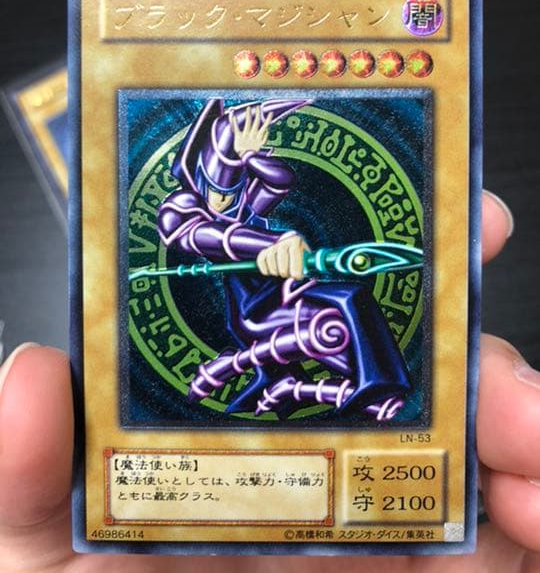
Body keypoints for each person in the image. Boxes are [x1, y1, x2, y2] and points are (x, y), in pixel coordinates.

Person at [1, 195, 539, 570]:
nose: (253, 156)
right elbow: (193, 231)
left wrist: (279, 241)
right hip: (258, 318)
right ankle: (322, 389)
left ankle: (351, 392)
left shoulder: (250, 195)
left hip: (286, 300)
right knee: (339, 309)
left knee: (346, 302)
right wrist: (262, 243)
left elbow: (267, 198)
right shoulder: (189, 208)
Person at [157, 100, 410, 419]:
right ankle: (366, 389)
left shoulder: (243, 206)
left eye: (232, 193)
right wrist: (270, 243)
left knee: (350, 298)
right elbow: (203, 235)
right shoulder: (183, 209)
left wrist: (250, 156)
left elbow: (280, 180)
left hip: (283, 292)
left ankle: (368, 385)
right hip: (255, 309)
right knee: (331, 325)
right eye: (216, 193)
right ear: (198, 182)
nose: (224, 203)